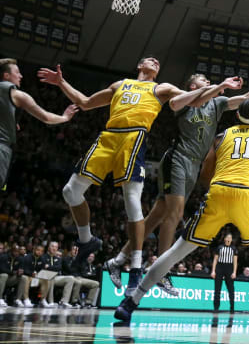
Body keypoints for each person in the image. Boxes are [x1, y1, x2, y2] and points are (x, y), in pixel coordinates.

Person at [114, 99, 249, 327]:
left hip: (217, 192)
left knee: (178, 250)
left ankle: (131, 301)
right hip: (246, 194)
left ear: (237, 116)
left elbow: (205, 175)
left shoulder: (221, 137)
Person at [37, 58, 212, 287]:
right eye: (150, 59)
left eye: (158, 62)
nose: (156, 61)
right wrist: (61, 82)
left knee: (132, 200)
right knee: (70, 191)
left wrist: (212, 88)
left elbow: (192, 101)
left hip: (134, 137)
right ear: (139, 65)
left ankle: (136, 267)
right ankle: (87, 240)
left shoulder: (161, 88)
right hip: (109, 137)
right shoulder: (120, 85)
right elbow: (86, 102)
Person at [103, 73, 244, 296]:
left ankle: (118, 259)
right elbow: (176, 103)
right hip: (177, 159)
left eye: (209, 81)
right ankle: (161, 270)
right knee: (175, 213)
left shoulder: (216, 103)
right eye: (203, 80)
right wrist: (219, 85)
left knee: (155, 218)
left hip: (194, 167)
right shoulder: (183, 97)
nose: (208, 82)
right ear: (191, 84)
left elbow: (246, 98)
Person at [0, 58, 77, 189]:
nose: (21, 75)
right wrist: (64, 117)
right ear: (6, 75)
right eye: (17, 72)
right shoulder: (17, 94)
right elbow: (46, 117)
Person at [210, 232, 238, 313]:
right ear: (225, 239)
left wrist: (234, 272)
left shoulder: (234, 249)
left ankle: (232, 308)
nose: (229, 239)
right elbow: (215, 260)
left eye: (230, 238)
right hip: (219, 268)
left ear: (231, 240)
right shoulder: (219, 247)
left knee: (231, 289)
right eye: (227, 237)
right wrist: (213, 271)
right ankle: (216, 308)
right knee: (217, 289)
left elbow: (235, 262)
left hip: (229, 268)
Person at [42, 241, 75, 308]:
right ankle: (51, 301)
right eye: (52, 246)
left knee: (71, 278)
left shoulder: (58, 258)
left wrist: (48, 267)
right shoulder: (43, 257)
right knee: (50, 276)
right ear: (48, 248)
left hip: (57, 277)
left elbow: (58, 268)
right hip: (45, 278)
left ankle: (64, 301)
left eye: (56, 247)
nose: (54, 248)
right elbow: (43, 268)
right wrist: (52, 268)